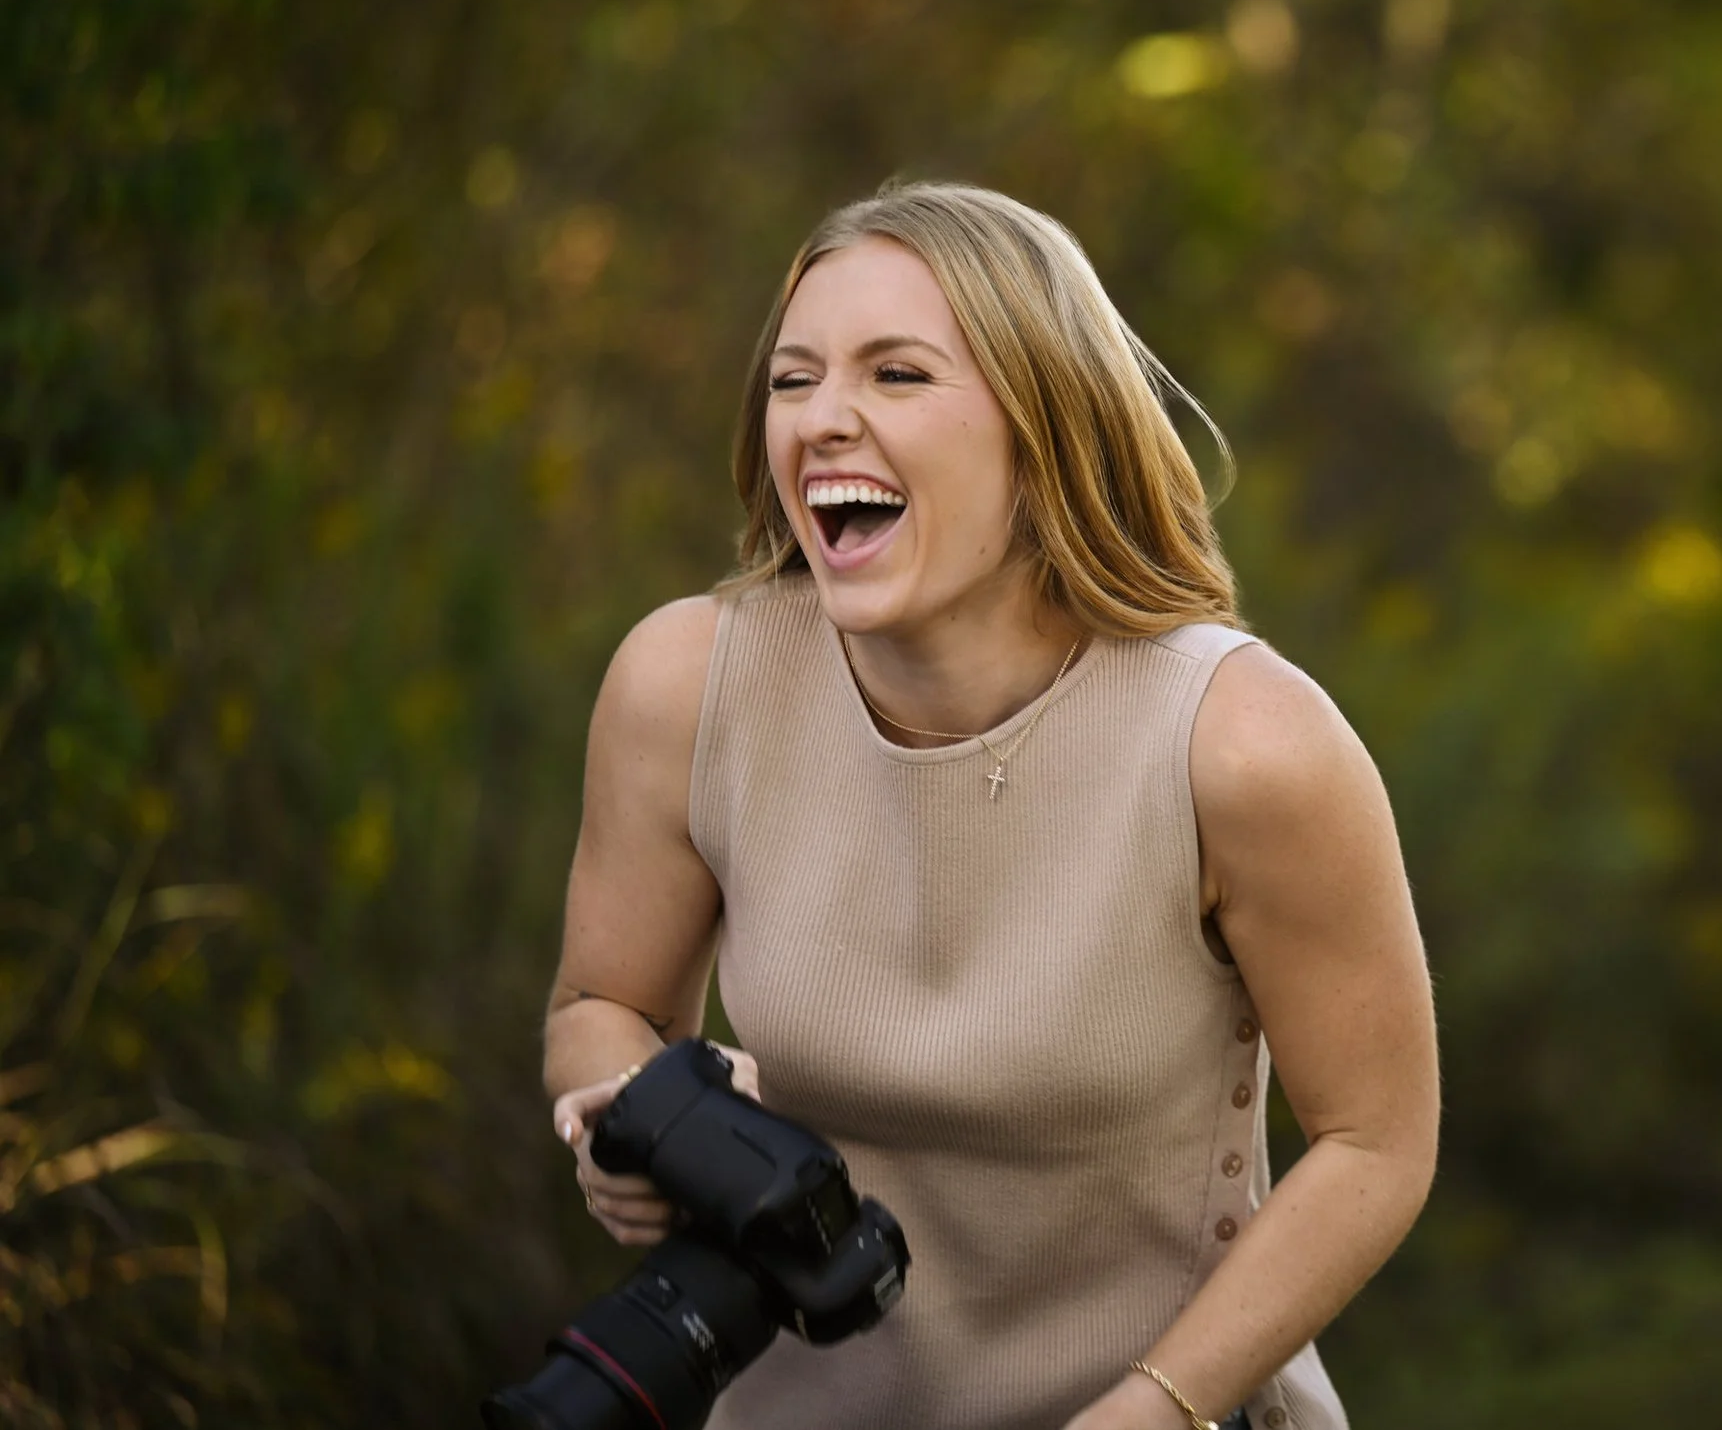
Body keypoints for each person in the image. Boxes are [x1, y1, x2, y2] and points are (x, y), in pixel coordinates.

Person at [541, 181, 1438, 1430]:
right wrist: (634, 1117)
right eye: (794, 380)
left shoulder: (1244, 745)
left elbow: (1375, 1142)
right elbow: (601, 1005)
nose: (824, 419)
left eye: (897, 374)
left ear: (1044, 420)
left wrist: (1151, 1409)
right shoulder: (685, 685)